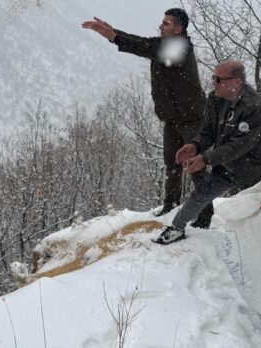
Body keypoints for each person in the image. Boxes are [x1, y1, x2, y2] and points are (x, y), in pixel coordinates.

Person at [82, 8, 214, 227]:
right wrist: (112, 32)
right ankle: (171, 205)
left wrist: (113, 36)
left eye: (166, 23)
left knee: (195, 166)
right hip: (172, 118)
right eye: (161, 22)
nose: (161, 26)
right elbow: (144, 42)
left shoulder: (180, 47)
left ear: (178, 29)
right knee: (171, 163)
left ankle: (205, 214)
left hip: (192, 119)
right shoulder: (164, 45)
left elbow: (144, 46)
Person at [153, 60, 261, 245]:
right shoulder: (215, 99)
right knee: (201, 193)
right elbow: (208, 131)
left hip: (254, 168)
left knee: (257, 208)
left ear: (236, 82)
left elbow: (239, 146)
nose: (213, 83)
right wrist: (195, 146)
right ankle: (177, 227)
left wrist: (205, 159)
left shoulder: (254, 106)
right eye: (213, 78)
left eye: (219, 79)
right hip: (226, 163)